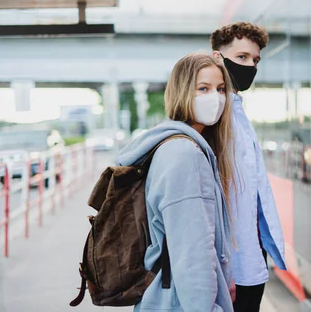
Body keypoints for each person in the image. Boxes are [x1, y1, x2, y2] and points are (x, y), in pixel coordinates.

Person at [115, 53, 236, 312]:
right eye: (203, 88)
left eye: (221, 89)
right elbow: (193, 253)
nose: (215, 97)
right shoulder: (186, 154)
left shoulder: (172, 145)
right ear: (182, 92)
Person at [210, 22, 287, 311]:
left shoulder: (238, 113)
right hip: (232, 262)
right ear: (218, 57)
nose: (250, 66)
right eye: (241, 57)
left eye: (255, 60)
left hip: (249, 254)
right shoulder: (214, 115)